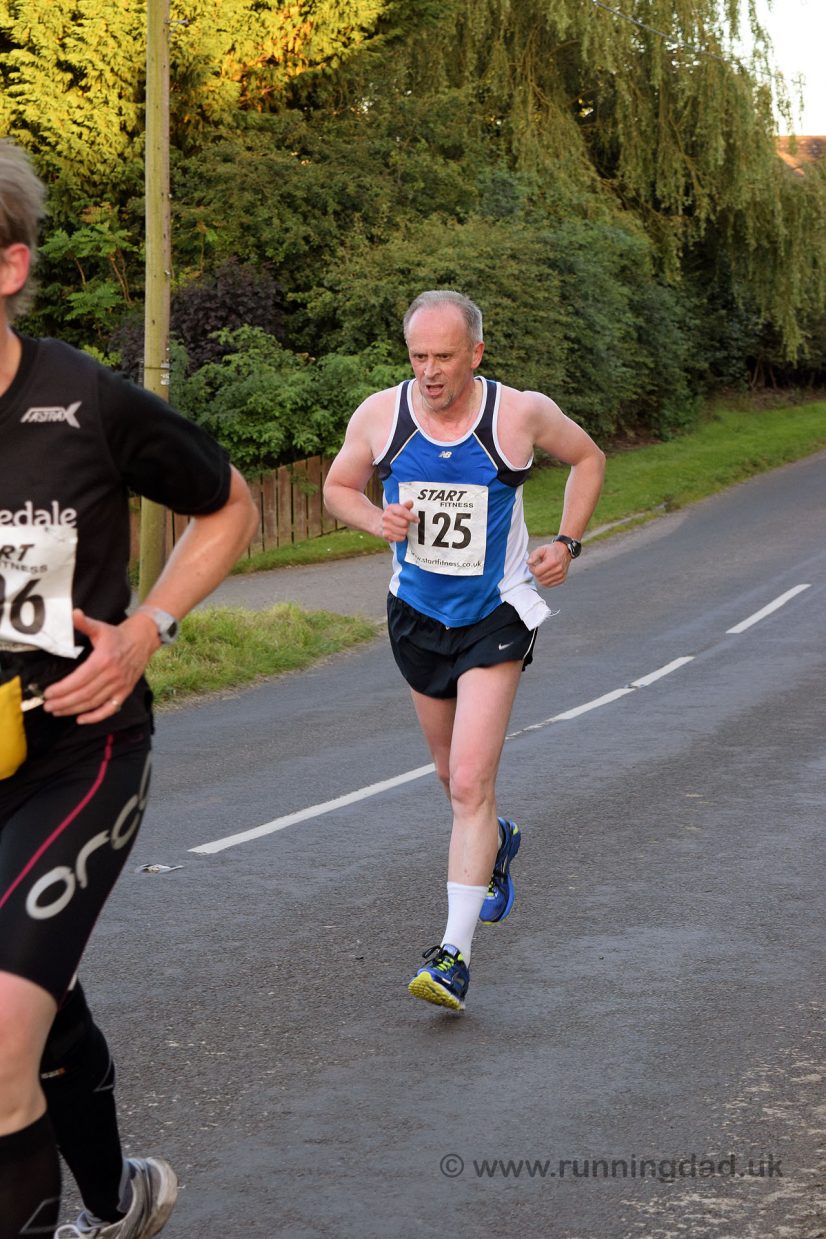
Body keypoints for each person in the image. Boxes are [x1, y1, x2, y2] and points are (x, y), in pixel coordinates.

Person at [0, 140, 259, 1239]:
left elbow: (231, 504)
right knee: (34, 1009)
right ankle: (115, 1195)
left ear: (8, 267)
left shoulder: (83, 401)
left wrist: (146, 630)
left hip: (78, 750)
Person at [324, 289, 605, 1011]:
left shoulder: (517, 414)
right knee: (455, 781)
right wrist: (374, 517)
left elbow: (588, 458)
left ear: (476, 353)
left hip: (495, 616)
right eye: (418, 356)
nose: (429, 372)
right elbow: (336, 488)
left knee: (471, 780)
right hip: (417, 614)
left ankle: (453, 955)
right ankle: (497, 841)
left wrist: (567, 542)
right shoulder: (381, 416)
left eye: (444, 356)